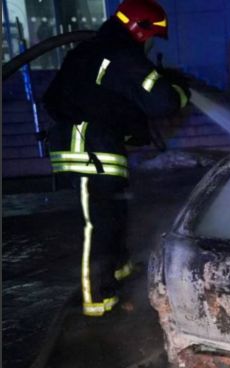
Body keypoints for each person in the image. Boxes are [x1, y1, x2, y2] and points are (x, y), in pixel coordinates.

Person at [43, 0, 189, 317]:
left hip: (96, 147)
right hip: (88, 150)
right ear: (141, 30)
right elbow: (164, 102)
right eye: (152, 38)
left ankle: (119, 269)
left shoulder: (92, 52)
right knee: (98, 225)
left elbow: (58, 97)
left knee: (114, 214)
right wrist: (181, 91)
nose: (151, 45)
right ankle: (97, 299)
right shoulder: (122, 55)